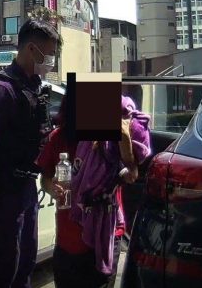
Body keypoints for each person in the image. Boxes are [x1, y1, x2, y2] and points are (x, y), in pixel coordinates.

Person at [0, 18, 61, 288]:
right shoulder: (1, 89)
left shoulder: (33, 87)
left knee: (25, 262)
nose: (52, 61)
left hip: (26, 189)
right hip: (4, 191)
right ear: (32, 49)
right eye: (50, 53)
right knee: (5, 267)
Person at [38, 95, 151, 288]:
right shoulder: (59, 137)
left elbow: (132, 173)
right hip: (68, 238)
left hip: (105, 236)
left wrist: (123, 134)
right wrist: (52, 188)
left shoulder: (110, 141)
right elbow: (45, 178)